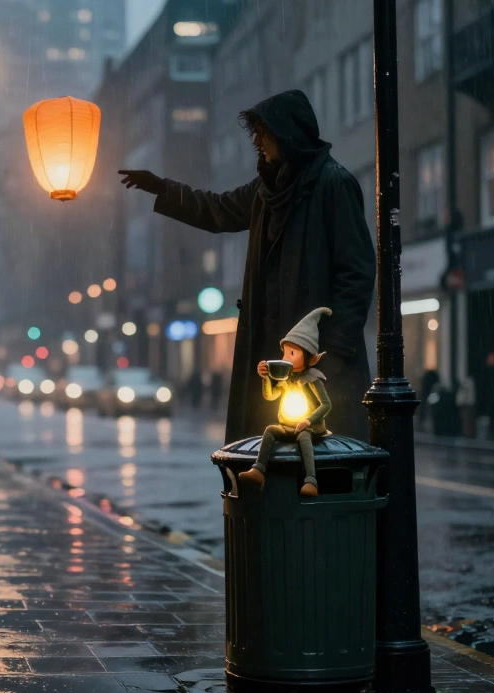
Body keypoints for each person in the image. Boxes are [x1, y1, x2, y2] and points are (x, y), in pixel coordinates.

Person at [119, 89, 375, 444]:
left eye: (262, 132)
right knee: (267, 451)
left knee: (321, 458)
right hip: (270, 352)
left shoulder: (333, 184)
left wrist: (331, 352)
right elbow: (218, 210)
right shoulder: (265, 190)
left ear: (287, 134)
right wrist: (162, 188)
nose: (256, 141)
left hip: (313, 357)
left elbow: (356, 273)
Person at [235, 308, 333, 497]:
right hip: (287, 425)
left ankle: (311, 480)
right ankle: (258, 470)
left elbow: (326, 404)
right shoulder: (286, 379)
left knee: (304, 437)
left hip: (308, 428)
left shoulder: (313, 379)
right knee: (271, 430)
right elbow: (270, 396)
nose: (285, 358)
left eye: (292, 353)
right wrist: (265, 379)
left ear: (310, 358)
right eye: (285, 353)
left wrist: (308, 421)